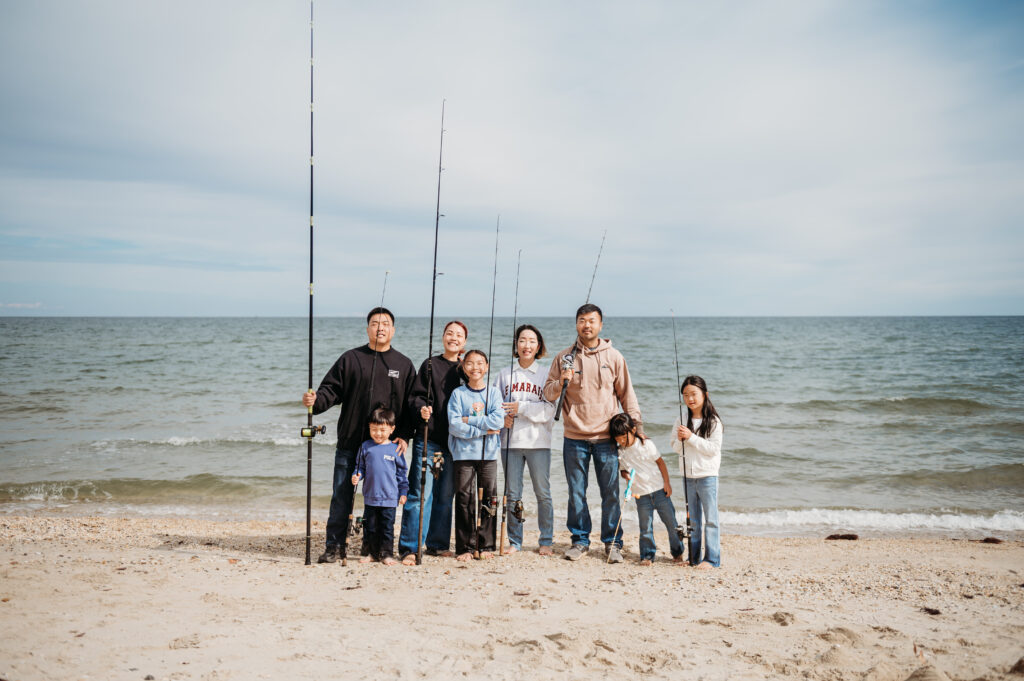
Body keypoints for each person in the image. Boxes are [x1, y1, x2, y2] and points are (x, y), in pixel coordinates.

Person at [301, 307, 416, 564]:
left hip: (386, 448)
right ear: (367, 329)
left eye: (385, 323)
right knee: (342, 495)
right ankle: (334, 546)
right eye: (375, 323)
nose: (380, 327)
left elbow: (410, 407)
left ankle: (372, 548)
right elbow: (330, 391)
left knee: (382, 500)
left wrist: (405, 436)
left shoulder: (404, 364)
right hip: (351, 442)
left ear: (393, 330)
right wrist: (314, 401)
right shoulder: (350, 359)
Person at [543, 303, 642, 564]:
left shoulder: (614, 357)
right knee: (577, 492)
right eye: (582, 320)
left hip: (606, 438)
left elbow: (627, 396)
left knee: (610, 492)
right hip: (574, 436)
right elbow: (547, 392)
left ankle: (613, 543)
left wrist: (637, 431)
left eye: (592, 320)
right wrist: (560, 381)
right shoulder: (564, 357)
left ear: (600, 324)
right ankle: (580, 541)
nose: (587, 325)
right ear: (576, 324)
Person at [398, 320, 468, 565]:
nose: (454, 338)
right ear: (443, 337)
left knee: (444, 495)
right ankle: (410, 547)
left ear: (464, 342)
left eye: (459, 335)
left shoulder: (465, 368)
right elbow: (415, 397)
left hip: (455, 443)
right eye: (450, 333)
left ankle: (437, 544)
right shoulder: (430, 365)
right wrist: (421, 409)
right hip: (429, 439)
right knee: (420, 494)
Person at [494, 324, 555, 556]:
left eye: (531, 341)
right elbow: (495, 404)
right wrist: (502, 418)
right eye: (522, 340)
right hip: (510, 443)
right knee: (512, 494)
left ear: (538, 346)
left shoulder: (546, 374)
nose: (526, 345)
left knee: (543, 493)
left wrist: (522, 408)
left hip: (539, 442)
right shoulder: (504, 374)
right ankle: (515, 541)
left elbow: (550, 409)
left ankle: (546, 540)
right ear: (516, 345)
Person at [447, 349, 505, 562]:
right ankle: (465, 547)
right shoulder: (458, 394)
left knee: (489, 498)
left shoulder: (494, 393)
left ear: (487, 367)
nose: (475, 367)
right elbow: (454, 426)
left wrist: (468, 421)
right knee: (464, 499)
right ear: (464, 367)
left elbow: (498, 422)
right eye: (470, 363)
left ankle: (486, 544)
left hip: (488, 454)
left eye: (480, 363)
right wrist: (483, 428)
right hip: (462, 454)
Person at [609, 413, 684, 566]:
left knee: (672, 524)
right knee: (645, 527)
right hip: (640, 495)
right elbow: (623, 470)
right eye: (618, 438)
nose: (621, 441)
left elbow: (661, 463)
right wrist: (625, 475)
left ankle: (677, 552)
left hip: (659, 490)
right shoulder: (621, 452)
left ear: (633, 430)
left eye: (624, 437)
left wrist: (667, 483)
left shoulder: (645, 444)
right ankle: (647, 555)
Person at [670, 375, 723, 569]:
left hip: (707, 476)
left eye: (693, 394)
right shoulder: (681, 419)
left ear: (705, 394)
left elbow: (712, 449)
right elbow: (674, 446)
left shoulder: (714, 421)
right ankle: (694, 558)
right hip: (687, 476)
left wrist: (691, 437)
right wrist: (681, 440)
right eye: (685, 395)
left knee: (711, 520)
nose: (689, 399)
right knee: (693, 520)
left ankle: (712, 560)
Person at [351, 405, 409, 565]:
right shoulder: (365, 447)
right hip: (370, 497)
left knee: (387, 528)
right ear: (369, 428)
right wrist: (356, 476)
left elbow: (402, 475)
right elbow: (360, 468)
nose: (378, 433)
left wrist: (403, 492)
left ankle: (386, 554)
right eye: (374, 429)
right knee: (369, 527)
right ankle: (369, 553)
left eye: (382, 430)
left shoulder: (395, 449)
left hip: (390, 498)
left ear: (392, 429)